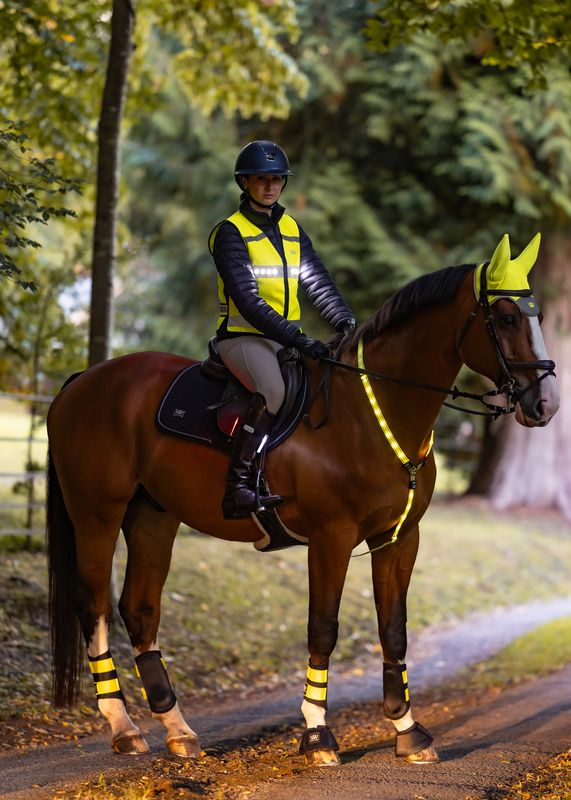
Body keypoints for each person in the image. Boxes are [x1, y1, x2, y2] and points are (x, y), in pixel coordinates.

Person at [209, 140, 356, 520]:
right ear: (244, 182)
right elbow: (248, 302)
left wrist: (347, 323)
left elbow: (318, 282)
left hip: (285, 340)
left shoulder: (291, 228)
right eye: (261, 179)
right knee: (273, 390)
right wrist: (300, 340)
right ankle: (238, 487)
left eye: (276, 179)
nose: (270, 186)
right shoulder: (230, 232)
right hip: (243, 337)